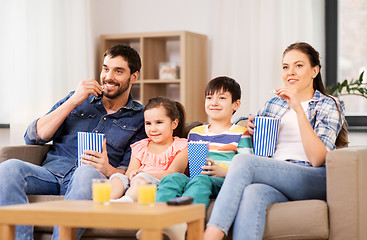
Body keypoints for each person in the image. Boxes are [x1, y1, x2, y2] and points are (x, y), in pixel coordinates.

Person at [203, 42, 348, 240]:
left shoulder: (329, 104)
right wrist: (249, 123)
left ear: (315, 70)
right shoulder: (275, 102)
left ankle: (210, 236)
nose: (291, 72)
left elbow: (318, 158)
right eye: (285, 67)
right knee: (253, 193)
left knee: (244, 162)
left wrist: (298, 108)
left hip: (312, 177)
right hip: (275, 174)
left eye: (299, 66)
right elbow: (241, 122)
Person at [0, 44, 146, 240]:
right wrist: (74, 100)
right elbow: (34, 136)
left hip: (91, 178)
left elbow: (130, 171)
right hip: (51, 173)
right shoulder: (79, 99)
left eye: (118, 71)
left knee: (85, 172)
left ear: (134, 76)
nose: (109, 76)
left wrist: (107, 169)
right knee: (8, 168)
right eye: (105, 68)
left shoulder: (140, 118)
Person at [152, 76, 253, 240]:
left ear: (236, 104)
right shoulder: (196, 132)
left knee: (201, 181)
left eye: (222, 98)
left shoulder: (241, 133)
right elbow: (189, 164)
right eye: (209, 97)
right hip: (194, 177)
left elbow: (248, 168)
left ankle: (186, 225)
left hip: (221, 181)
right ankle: (157, 223)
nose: (214, 102)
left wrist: (222, 171)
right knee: (173, 178)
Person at [109, 96, 188, 202]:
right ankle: (109, 202)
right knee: (117, 177)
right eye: (148, 123)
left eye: (159, 122)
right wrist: (131, 174)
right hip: (136, 181)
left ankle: (126, 201)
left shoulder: (182, 146)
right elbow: (130, 172)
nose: (153, 129)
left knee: (141, 179)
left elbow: (172, 173)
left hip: (159, 183)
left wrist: (144, 174)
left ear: (174, 123)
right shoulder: (140, 147)